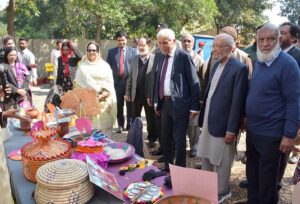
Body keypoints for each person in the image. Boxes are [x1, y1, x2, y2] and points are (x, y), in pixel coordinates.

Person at [246, 23, 300, 204]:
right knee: (253, 176)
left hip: (273, 135)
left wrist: (289, 135)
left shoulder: (288, 65)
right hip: (254, 132)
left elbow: (294, 102)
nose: (265, 43)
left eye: (270, 39)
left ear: (278, 40)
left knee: (268, 182)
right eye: (261, 39)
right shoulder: (260, 61)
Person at [197, 33, 248, 203]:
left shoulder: (239, 68)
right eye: (214, 46)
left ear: (231, 48)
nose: (214, 50)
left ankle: (221, 191)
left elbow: (237, 102)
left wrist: (231, 129)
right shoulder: (215, 64)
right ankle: (207, 185)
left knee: (221, 159)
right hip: (209, 120)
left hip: (224, 124)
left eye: (219, 46)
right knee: (206, 154)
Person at [154, 28, 201, 170]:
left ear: (174, 41)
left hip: (180, 105)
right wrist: (158, 100)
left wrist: (194, 106)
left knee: (179, 140)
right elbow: (159, 79)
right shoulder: (161, 56)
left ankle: (180, 170)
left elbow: (194, 82)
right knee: (166, 138)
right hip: (165, 104)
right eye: (160, 43)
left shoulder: (183, 56)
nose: (162, 46)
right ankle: (168, 167)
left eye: (166, 43)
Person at [74, 41, 117, 137]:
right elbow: (77, 86)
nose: (91, 52)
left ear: (98, 52)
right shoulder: (82, 67)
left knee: (104, 134)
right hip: (87, 106)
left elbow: (109, 84)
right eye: (89, 50)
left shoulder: (105, 66)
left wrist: (100, 96)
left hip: (103, 104)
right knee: (90, 134)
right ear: (86, 52)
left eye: (94, 50)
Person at [125, 37, 156, 147]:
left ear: (149, 46)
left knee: (150, 118)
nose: (141, 47)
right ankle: (135, 138)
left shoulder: (155, 59)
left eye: (143, 45)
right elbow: (130, 77)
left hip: (149, 95)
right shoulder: (134, 59)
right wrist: (127, 93)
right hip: (136, 94)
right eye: (139, 45)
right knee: (135, 118)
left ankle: (152, 139)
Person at [106, 31, 138, 133]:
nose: (121, 42)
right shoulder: (111, 52)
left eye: (123, 40)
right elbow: (108, 68)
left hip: (129, 82)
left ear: (126, 40)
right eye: (119, 40)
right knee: (119, 105)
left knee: (130, 104)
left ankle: (129, 124)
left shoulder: (133, 51)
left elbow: (136, 67)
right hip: (117, 83)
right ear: (116, 41)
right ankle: (120, 124)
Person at [181, 32, 204, 157]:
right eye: (184, 41)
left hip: (193, 97)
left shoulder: (198, 59)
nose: (186, 43)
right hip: (180, 97)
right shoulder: (176, 57)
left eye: (189, 41)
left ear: (193, 43)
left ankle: (194, 145)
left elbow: (203, 79)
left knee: (193, 125)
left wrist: (200, 99)